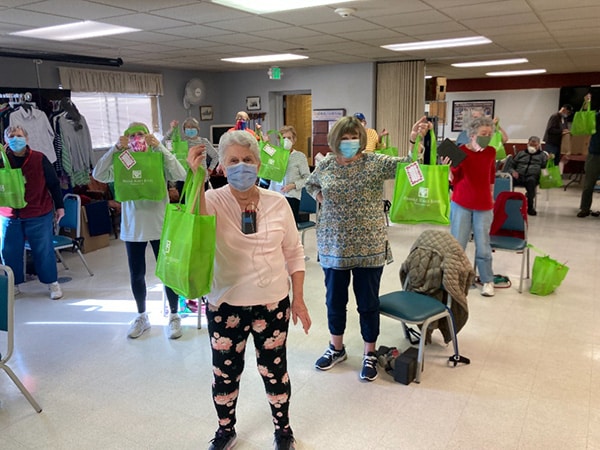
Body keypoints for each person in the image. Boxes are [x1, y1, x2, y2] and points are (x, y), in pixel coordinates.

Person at [186, 130, 311, 450]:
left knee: (275, 370)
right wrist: (196, 177)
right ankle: (225, 429)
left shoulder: (278, 202)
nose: (242, 166)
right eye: (233, 161)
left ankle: (283, 430)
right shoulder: (212, 199)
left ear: (259, 164)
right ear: (223, 168)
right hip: (225, 304)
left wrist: (299, 300)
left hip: (272, 304)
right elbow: (195, 227)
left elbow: (294, 253)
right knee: (224, 375)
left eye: (248, 160)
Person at [305, 115, 429, 382]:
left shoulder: (374, 162)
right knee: (334, 301)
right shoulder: (325, 164)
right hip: (334, 245)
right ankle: (336, 348)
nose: (349, 142)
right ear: (335, 140)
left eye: (354, 137)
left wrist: (413, 139)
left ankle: (369, 353)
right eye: (344, 138)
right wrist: (319, 196)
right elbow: (310, 183)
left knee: (368, 303)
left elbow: (408, 165)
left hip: (369, 247)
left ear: (361, 140)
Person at [92, 122, 187, 339]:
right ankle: (142, 315)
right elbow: (98, 174)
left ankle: (174, 316)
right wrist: (114, 149)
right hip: (133, 227)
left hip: (160, 225)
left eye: (141, 134)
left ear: (148, 136)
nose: (137, 138)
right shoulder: (123, 160)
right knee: (137, 274)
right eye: (132, 135)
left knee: (168, 273)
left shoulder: (158, 156)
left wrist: (161, 148)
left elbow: (180, 173)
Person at [0, 125, 64, 300]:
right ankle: (12, 284)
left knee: (43, 249)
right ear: (5, 140)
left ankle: (52, 282)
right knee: (8, 251)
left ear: (26, 139)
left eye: (19, 135)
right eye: (11, 136)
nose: (15, 139)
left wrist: (60, 206)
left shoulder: (39, 158)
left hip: (37, 212)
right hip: (10, 215)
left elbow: (53, 184)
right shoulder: (2, 159)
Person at [446, 116, 497, 297]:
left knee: (483, 245)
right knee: (458, 244)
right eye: (483, 134)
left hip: (484, 205)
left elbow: (491, 176)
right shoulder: (460, 152)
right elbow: (453, 177)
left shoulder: (491, 151)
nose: (487, 137)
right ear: (472, 134)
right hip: (461, 203)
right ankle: (456, 279)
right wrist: (450, 166)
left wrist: (491, 196)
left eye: (490, 134)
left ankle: (487, 280)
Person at [268, 125, 311, 222]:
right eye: (283, 138)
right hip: (275, 195)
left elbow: (308, 178)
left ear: (294, 140)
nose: (286, 140)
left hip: (291, 196)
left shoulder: (299, 157)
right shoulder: (274, 154)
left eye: (289, 138)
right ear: (279, 140)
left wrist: (293, 185)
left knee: (289, 227)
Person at [504, 136, 550, 216]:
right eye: (531, 145)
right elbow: (511, 165)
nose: (533, 147)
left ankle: (530, 207)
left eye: (535, 145)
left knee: (531, 182)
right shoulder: (521, 153)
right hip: (519, 175)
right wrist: (513, 171)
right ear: (528, 144)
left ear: (539, 145)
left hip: (532, 176)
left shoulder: (542, 156)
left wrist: (546, 174)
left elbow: (544, 168)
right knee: (507, 181)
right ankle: (506, 204)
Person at [577, 109, 600, 218]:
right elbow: (584, 117)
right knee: (588, 184)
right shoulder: (596, 117)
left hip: (594, 153)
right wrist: (586, 105)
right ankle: (585, 209)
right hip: (594, 155)